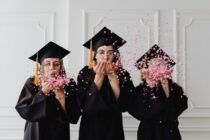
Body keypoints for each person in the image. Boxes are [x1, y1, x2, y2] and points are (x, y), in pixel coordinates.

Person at [77, 27, 135, 140]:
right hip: (90, 127)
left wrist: (112, 76)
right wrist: (99, 76)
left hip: (113, 126)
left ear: (115, 55)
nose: (105, 56)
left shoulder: (122, 74)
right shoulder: (85, 72)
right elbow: (84, 104)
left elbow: (124, 104)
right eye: (101, 52)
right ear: (95, 55)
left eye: (110, 52)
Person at [15, 41, 81, 140]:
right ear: (41, 67)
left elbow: (74, 116)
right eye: (47, 64)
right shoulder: (33, 82)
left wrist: (61, 94)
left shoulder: (68, 83)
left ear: (61, 66)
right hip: (36, 133)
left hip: (59, 133)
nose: (52, 68)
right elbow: (24, 110)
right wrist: (43, 92)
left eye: (56, 64)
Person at [128, 44, 188, 140]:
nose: (157, 66)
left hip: (170, 133)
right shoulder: (139, 90)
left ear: (167, 67)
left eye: (160, 63)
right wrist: (149, 86)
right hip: (148, 134)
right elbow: (140, 114)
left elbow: (174, 113)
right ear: (146, 69)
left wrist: (166, 89)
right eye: (152, 64)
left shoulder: (176, 89)